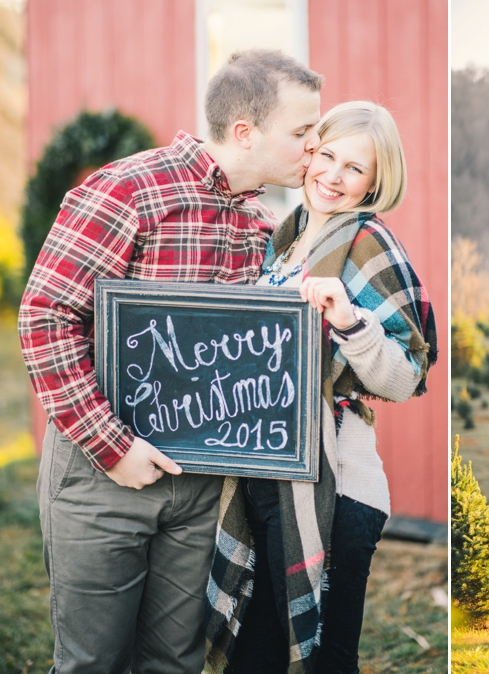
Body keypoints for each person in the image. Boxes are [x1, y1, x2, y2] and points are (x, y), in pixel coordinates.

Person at [18, 49, 323, 673]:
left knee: (174, 662)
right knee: (91, 663)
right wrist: (113, 447)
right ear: (246, 132)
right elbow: (46, 318)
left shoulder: (262, 224)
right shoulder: (128, 190)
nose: (314, 147)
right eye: (302, 132)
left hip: (198, 483)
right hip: (101, 475)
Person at [205, 101, 437, 674]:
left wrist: (349, 322)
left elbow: (407, 377)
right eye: (327, 155)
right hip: (267, 474)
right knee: (253, 655)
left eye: (354, 168)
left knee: (325, 662)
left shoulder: (367, 244)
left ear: (376, 183)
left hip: (336, 485)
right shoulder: (285, 240)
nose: (333, 175)